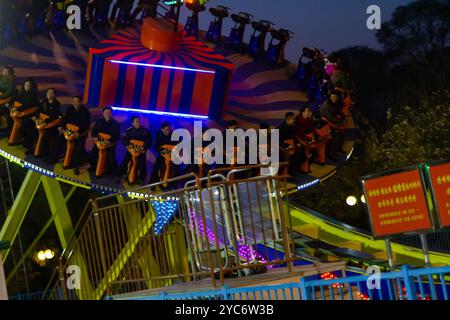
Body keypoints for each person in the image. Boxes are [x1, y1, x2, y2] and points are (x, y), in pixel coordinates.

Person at [59, 96, 91, 175]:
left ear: (80, 102)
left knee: (78, 148)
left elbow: (86, 126)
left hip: (80, 134)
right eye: (74, 101)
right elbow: (64, 119)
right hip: (69, 132)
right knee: (58, 140)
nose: (75, 103)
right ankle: (53, 158)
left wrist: (79, 133)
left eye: (77, 101)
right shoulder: (70, 109)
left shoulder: (86, 112)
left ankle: (76, 166)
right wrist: (62, 127)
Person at [117, 116, 152, 185]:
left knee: (142, 165)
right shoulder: (128, 131)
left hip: (141, 151)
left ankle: (141, 178)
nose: (138, 122)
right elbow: (124, 140)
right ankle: (119, 175)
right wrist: (128, 145)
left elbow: (149, 142)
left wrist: (144, 148)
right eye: (136, 121)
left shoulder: (146, 131)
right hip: (131, 150)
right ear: (132, 123)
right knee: (125, 162)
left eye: (139, 121)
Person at [88, 107, 120, 177]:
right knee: (91, 156)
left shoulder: (116, 124)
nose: (108, 114)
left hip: (109, 145)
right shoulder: (99, 121)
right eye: (106, 113)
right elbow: (94, 130)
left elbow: (117, 136)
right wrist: (95, 137)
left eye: (109, 113)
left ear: (111, 114)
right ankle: (94, 166)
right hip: (99, 143)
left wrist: (109, 141)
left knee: (111, 160)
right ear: (103, 114)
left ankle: (108, 170)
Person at [34, 88, 63, 163]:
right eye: (48, 93)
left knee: (50, 138)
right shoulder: (44, 102)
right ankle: (41, 153)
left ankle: (51, 158)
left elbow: (55, 116)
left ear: (54, 95)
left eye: (52, 93)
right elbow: (38, 111)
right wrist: (36, 117)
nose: (50, 94)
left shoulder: (57, 104)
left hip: (52, 125)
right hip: (43, 123)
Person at [11, 79, 40, 151]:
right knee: (12, 120)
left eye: (29, 85)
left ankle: (29, 146)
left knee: (25, 125)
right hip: (22, 114)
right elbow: (15, 100)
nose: (27, 87)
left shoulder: (33, 96)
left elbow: (27, 105)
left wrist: (17, 108)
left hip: (31, 116)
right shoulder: (22, 93)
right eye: (26, 85)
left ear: (32, 87)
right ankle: (24, 141)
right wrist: (12, 105)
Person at [149, 121, 176, 187]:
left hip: (172, 155)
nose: (168, 131)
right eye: (166, 130)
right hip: (162, 154)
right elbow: (156, 147)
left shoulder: (174, 135)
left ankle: (174, 186)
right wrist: (162, 150)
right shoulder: (158, 134)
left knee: (175, 169)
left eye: (169, 130)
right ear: (162, 129)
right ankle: (152, 184)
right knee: (156, 168)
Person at [277, 112, 303, 177]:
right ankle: (287, 174)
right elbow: (278, 141)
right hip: (282, 149)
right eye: (293, 119)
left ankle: (292, 172)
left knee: (301, 154)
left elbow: (294, 137)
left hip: (291, 148)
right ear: (288, 119)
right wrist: (287, 146)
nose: (294, 120)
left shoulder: (292, 127)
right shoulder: (280, 128)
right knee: (290, 158)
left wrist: (297, 143)